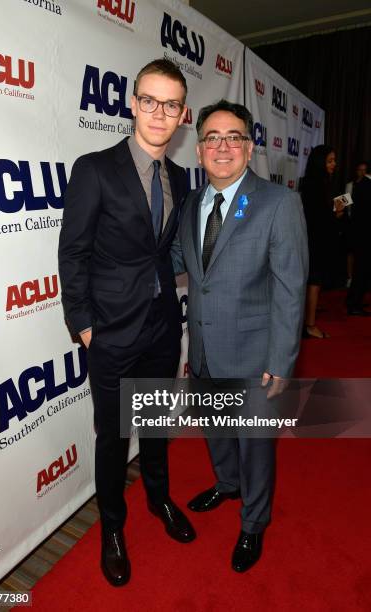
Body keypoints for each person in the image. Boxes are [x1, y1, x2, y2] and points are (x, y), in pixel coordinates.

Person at [58, 58, 195, 588]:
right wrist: (84, 326)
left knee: (157, 425)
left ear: (183, 114)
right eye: (150, 101)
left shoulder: (180, 177)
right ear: (132, 102)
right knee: (114, 437)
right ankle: (112, 529)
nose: (159, 113)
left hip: (164, 327)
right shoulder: (94, 168)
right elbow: (73, 254)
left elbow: (166, 251)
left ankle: (159, 498)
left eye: (171, 104)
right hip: (111, 333)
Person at [175, 100, 308, 572]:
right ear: (199, 150)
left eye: (234, 137)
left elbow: (291, 291)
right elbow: (181, 264)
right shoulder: (192, 203)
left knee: (255, 445)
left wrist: (280, 362)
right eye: (212, 137)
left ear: (250, 149)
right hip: (206, 351)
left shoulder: (277, 202)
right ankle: (227, 485)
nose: (222, 146)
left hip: (256, 357)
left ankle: (253, 524)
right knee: (216, 431)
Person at [300, 145, 345, 338]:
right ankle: (309, 326)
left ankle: (308, 318)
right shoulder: (313, 184)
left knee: (314, 281)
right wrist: (336, 212)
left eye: (334, 160)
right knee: (314, 281)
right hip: (314, 239)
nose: (334, 164)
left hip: (319, 238)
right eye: (330, 160)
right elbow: (317, 215)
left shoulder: (322, 182)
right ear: (320, 162)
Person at [346, 161, 371, 315]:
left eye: (364, 170)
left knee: (361, 268)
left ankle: (354, 300)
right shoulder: (352, 185)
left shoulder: (359, 185)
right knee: (361, 268)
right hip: (360, 232)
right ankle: (354, 303)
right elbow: (339, 205)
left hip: (358, 230)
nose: (361, 173)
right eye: (359, 170)